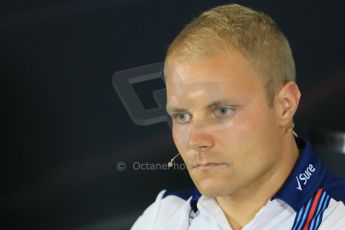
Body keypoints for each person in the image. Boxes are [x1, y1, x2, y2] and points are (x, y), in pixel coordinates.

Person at [131, 3, 345, 230]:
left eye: (222, 111)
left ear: (285, 105)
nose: (195, 141)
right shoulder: (163, 218)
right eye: (182, 116)